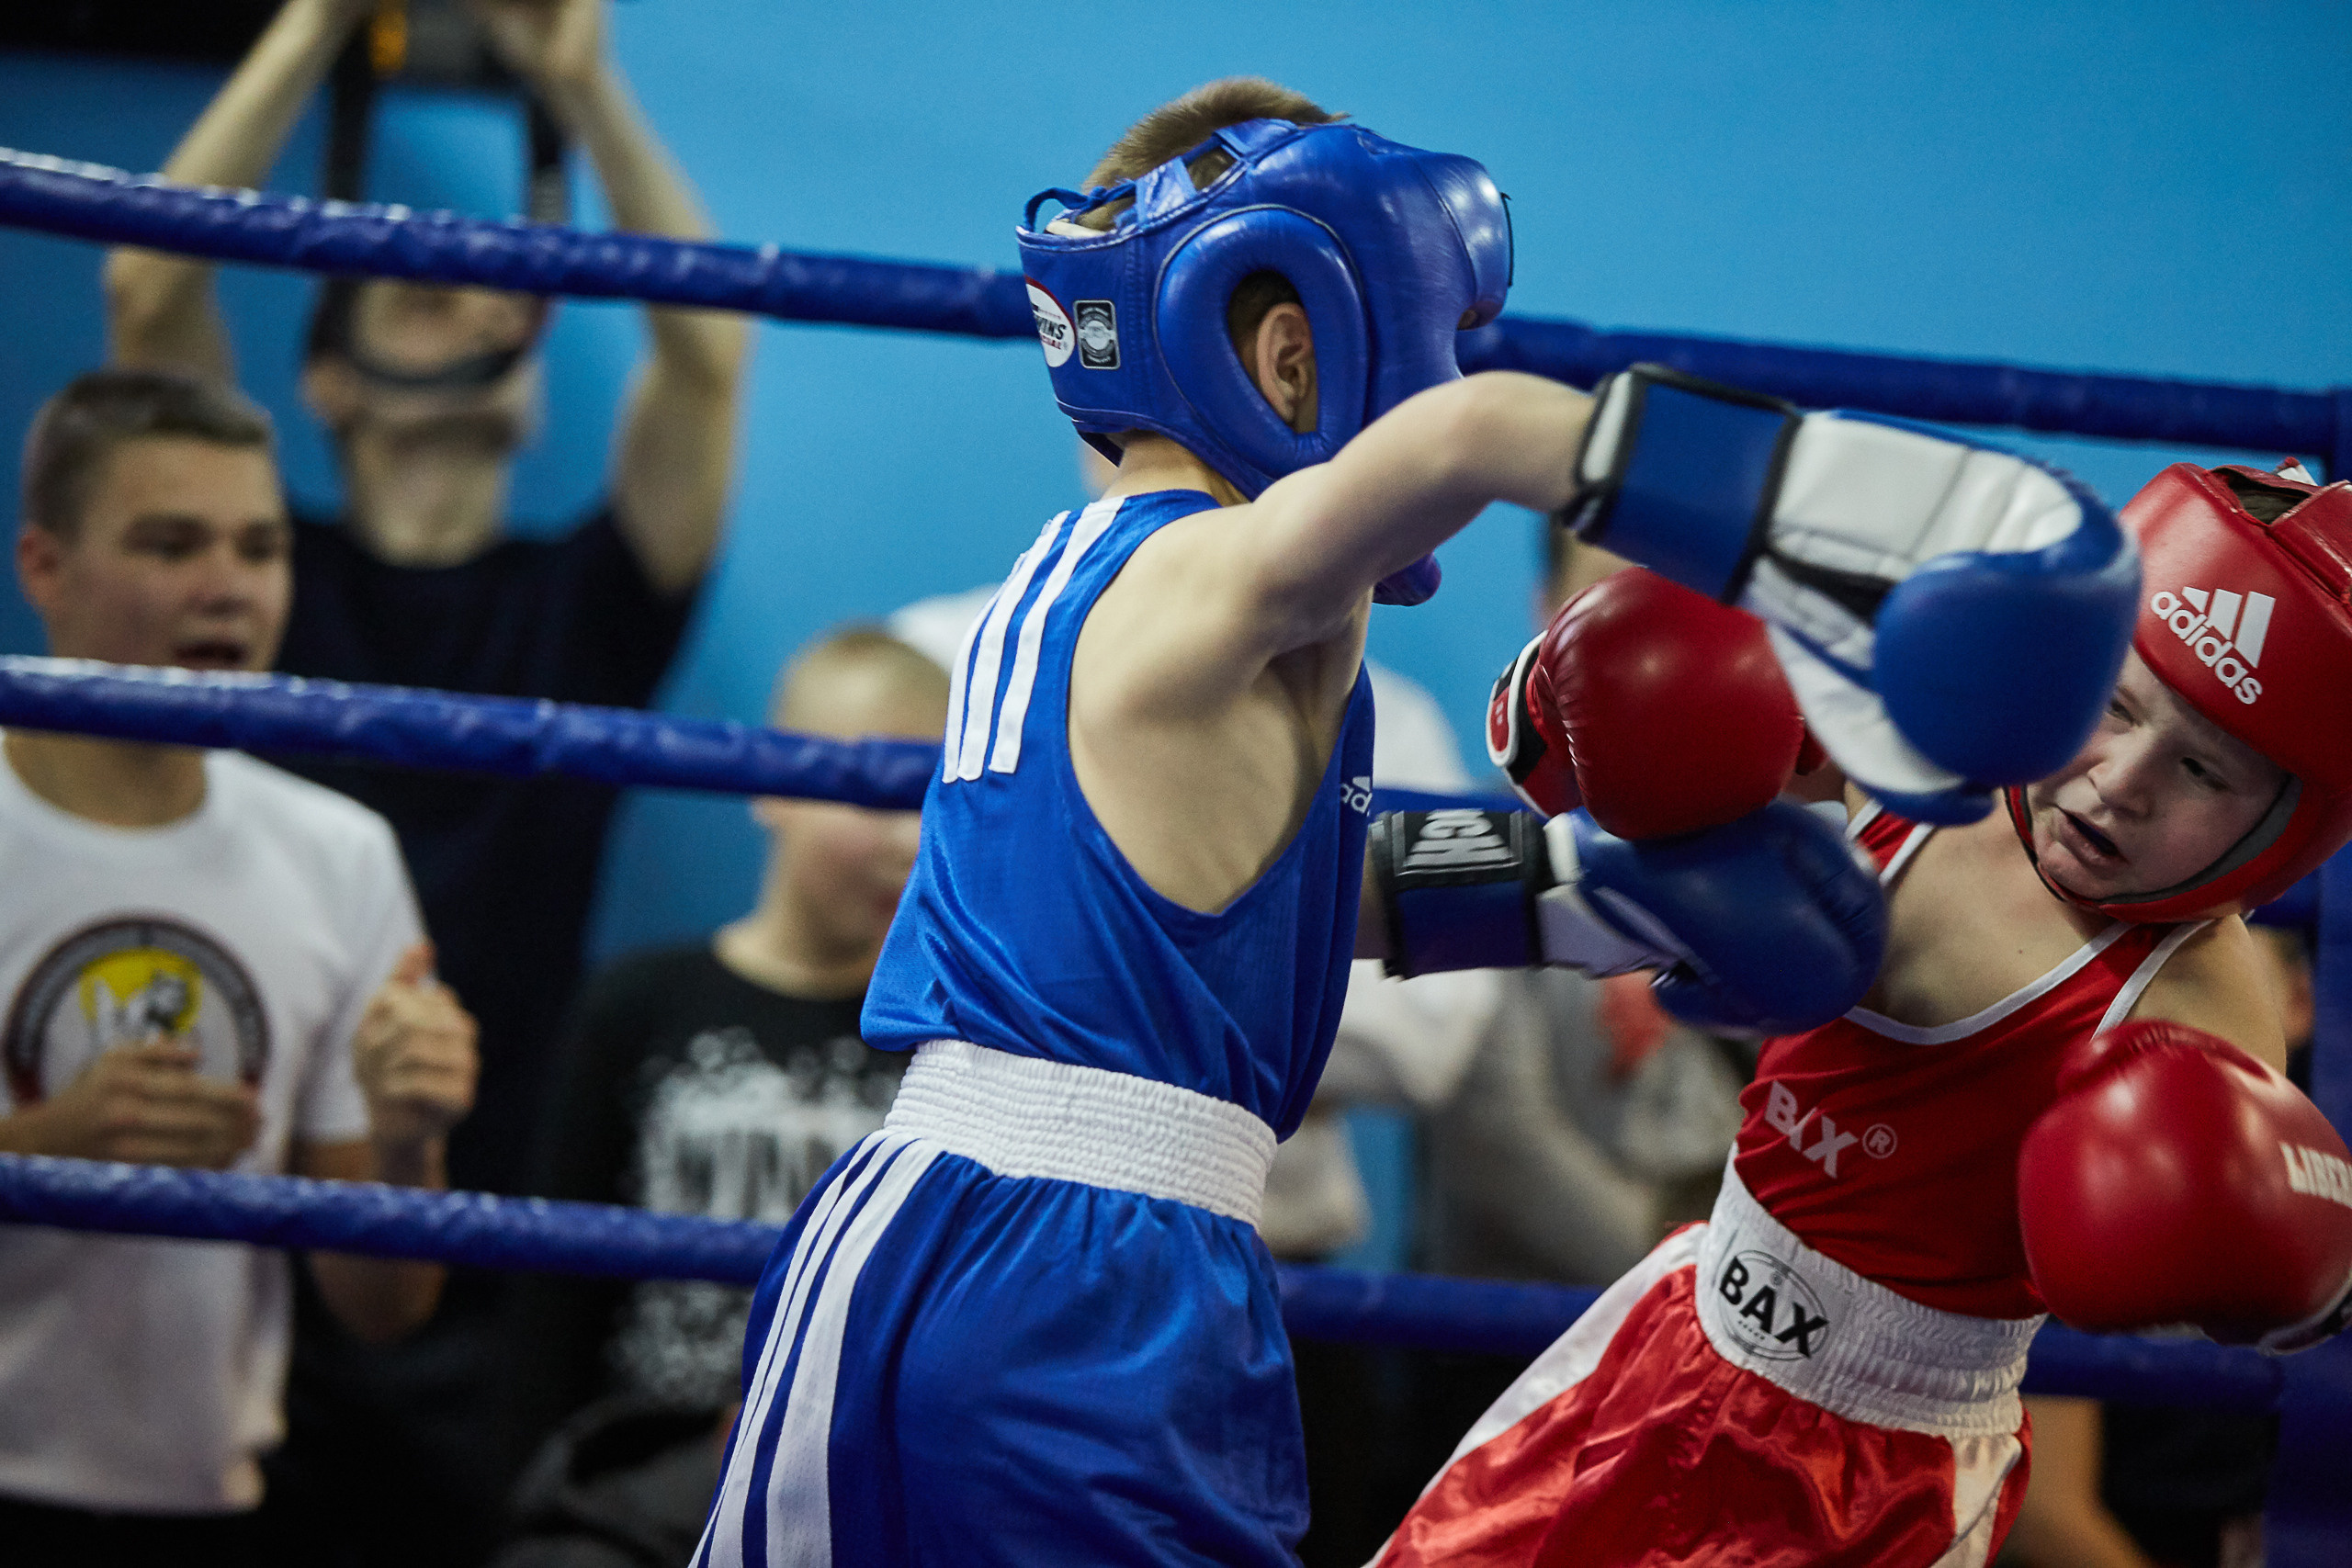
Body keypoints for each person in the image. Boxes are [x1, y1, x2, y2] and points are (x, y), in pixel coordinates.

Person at [699, 76, 2135, 1568]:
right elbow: (1464, 450)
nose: (1444, 381)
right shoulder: (1199, 578)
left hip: (1022, 1237)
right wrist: (1824, 518)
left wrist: (1607, 897)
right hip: (1056, 1266)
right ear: (1290, 345)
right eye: (1430, 340)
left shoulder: (1092, 588)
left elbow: (1281, 900)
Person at [1368, 458, 2352, 1566]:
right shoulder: (1915, 772)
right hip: (1664, 1345)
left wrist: (2295, 1262)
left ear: (2290, 829)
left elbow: (2281, 1275)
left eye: (2203, 771)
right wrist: (1273, 895)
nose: (2123, 779)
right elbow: (1615, 891)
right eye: (2112, 705)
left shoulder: (2199, 1007)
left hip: (1881, 1474)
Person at [104, 5, 749, 1560]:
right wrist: (313, 24)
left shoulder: (586, 600)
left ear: (535, 382)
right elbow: (147, 279)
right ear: (325, 383)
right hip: (251, 1167)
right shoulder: (254, 584)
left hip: (505, 1192)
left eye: (491, 291)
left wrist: (584, 90)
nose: (455, 296)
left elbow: (709, 351)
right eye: (404, 284)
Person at [0, 367, 477, 1565]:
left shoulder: (336, 850)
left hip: (207, 1502)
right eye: (171, 543)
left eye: (260, 546)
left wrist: (411, 1135)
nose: (227, 586)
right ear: (44, 567)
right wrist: (45, 1152)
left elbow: (382, 1305)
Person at [495, 627, 947, 1566]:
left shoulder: (953, 1047)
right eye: (875, 792)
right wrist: (527, 1486)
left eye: (931, 797)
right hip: (641, 1470)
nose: (906, 840)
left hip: (867, 1475)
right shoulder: (642, 1002)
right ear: (772, 783)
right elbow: (550, 1287)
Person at [2002, 921, 2316, 1568]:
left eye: (2223, 983)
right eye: (2164, 987)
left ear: (2301, 1002)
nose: (2186, 1020)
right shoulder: (2086, 1183)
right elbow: (2050, 1512)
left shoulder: (2319, 1188)